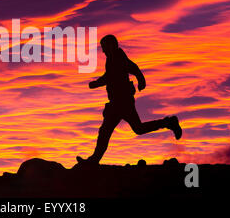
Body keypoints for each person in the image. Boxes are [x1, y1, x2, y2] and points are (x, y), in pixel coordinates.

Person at [77, 34, 182, 165]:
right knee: (117, 130)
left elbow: (129, 69)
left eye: (104, 47)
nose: (103, 50)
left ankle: (169, 122)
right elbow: (112, 75)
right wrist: (97, 83)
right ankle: (168, 122)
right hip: (117, 102)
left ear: (111, 45)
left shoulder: (118, 57)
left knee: (123, 130)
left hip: (123, 102)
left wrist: (141, 79)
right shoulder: (112, 58)